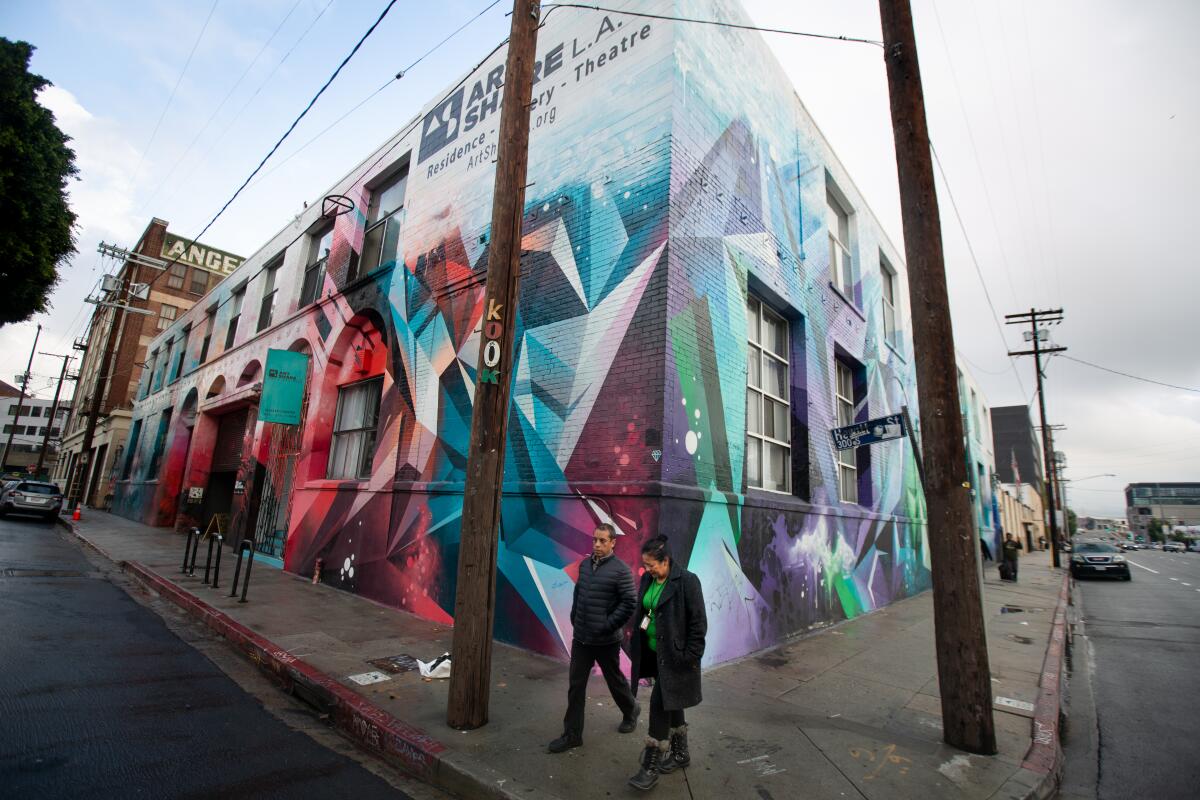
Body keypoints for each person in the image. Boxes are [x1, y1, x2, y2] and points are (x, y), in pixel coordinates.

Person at [549, 523, 640, 753]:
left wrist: (607, 625)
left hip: (606, 641)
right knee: (576, 686)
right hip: (582, 638)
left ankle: (631, 710)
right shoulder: (585, 565)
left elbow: (629, 602)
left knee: (615, 680)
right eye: (595, 540)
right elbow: (579, 593)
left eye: (602, 541)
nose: (597, 545)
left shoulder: (620, 570)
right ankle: (572, 735)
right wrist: (574, 616)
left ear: (612, 543)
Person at [627, 535, 707, 791]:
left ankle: (650, 766)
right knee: (671, 700)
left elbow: (698, 624)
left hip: (675, 659)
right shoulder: (649, 579)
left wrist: (689, 656)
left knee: (658, 705)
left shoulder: (687, 581)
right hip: (653, 654)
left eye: (651, 564)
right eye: (645, 565)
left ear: (666, 560)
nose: (647, 569)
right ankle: (681, 753)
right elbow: (645, 611)